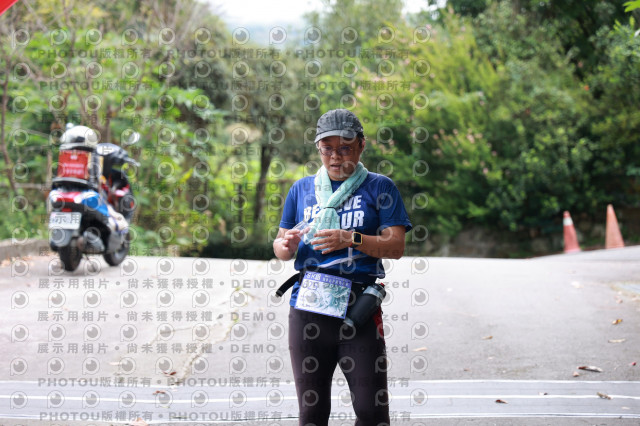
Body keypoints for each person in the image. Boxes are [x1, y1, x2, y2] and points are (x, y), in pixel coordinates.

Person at [273, 109, 413, 426]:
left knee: (371, 411)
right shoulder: (301, 189)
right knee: (312, 413)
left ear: (362, 146)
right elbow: (280, 246)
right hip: (308, 309)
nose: (336, 157)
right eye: (327, 149)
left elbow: (396, 246)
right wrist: (286, 246)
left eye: (345, 148)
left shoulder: (381, 188)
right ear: (318, 149)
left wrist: (351, 239)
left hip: (359, 310)